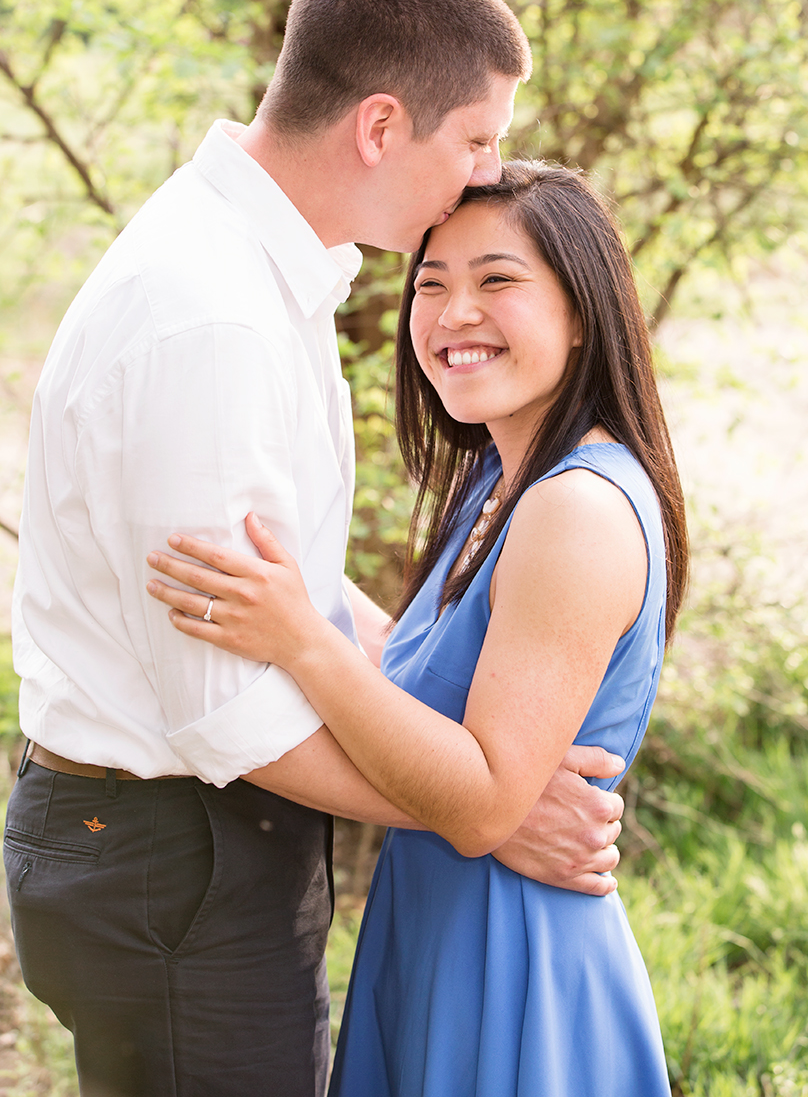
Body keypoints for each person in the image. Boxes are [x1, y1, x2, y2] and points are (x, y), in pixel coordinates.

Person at [4, 0, 627, 1097]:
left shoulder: (255, 274)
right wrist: (480, 811)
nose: (488, 168)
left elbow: (293, 583)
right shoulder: (215, 321)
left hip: (184, 847)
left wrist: (475, 770)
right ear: (383, 127)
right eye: (477, 138)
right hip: (170, 850)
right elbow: (229, 711)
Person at [145, 160, 690, 1096]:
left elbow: (481, 800)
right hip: (438, 933)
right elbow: (426, 668)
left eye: (497, 280)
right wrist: (298, 591)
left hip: (510, 964)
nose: (451, 314)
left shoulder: (579, 510)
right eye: (431, 283)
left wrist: (301, 639)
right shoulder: (501, 481)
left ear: (583, 313)